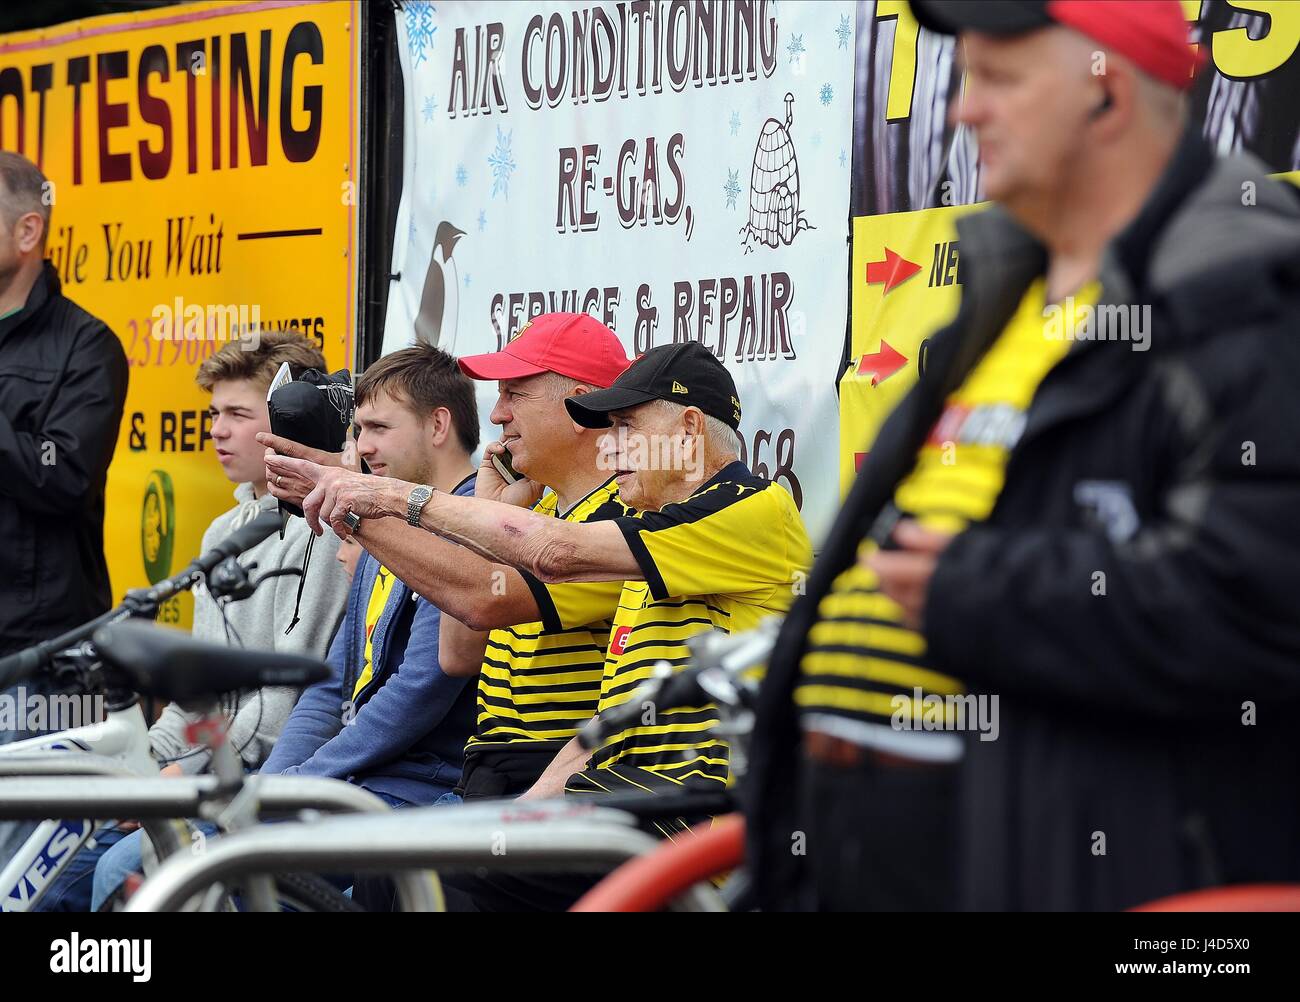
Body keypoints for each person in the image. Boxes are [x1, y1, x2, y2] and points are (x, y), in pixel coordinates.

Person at [749, 0, 1300, 911]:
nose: (964, 111)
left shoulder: (1240, 296)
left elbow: (1260, 602)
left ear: (1107, 96)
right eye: (965, 78)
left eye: (998, 79)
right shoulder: (1008, 295)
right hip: (890, 847)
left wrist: (978, 590)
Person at [270, 341, 813, 910]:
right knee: (399, 873)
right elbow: (594, 718)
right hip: (598, 801)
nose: (612, 444)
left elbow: (539, 562)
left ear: (688, 430)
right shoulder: (644, 541)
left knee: (421, 878)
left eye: (626, 426)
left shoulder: (748, 503)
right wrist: (524, 815)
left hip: (686, 823)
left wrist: (381, 498)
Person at [37, 332, 350, 912]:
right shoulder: (220, 534)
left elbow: (285, 701)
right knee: (50, 858)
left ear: (284, 421)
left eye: (238, 414)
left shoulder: (323, 530)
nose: (218, 430)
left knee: (117, 868)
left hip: (262, 781)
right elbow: (189, 705)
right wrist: (139, 770)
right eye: (214, 414)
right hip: (200, 772)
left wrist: (181, 777)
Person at [263, 312, 633, 801]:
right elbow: (459, 650)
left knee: (259, 862)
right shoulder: (532, 506)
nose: (498, 414)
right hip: (473, 785)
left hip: (518, 790)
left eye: (515, 394)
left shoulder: (619, 520)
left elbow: (476, 605)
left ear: (582, 404)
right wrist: (274, 784)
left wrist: (365, 507)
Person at [260, 345, 479, 808]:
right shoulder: (383, 508)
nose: (362, 447)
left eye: (379, 428)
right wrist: (271, 784)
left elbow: (418, 689)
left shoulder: (475, 518)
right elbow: (330, 687)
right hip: (363, 779)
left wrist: (298, 784)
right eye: (358, 430)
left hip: (421, 788)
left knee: (218, 858)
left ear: (439, 425)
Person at [0, 152, 129, 862]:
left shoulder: (89, 346)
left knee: (23, 878)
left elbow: (65, 476)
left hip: (44, 662)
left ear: (28, 232)